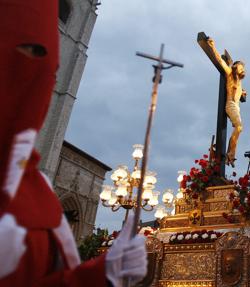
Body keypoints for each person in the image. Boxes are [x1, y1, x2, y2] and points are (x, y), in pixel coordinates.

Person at [0, 1, 146, 286]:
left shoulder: (39, 188)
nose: (31, 78)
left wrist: (102, 274)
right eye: (20, 55)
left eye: (48, 70)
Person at [205, 37, 247, 167]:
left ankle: (230, 154)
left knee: (239, 129)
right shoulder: (230, 74)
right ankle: (230, 154)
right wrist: (212, 47)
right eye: (241, 66)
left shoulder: (240, 83)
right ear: (235, 66)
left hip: (237, 108)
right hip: (230, 105)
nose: (243, 68)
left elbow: (240, 93)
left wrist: (242, 93)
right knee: (239, 127)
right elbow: (220, 61)